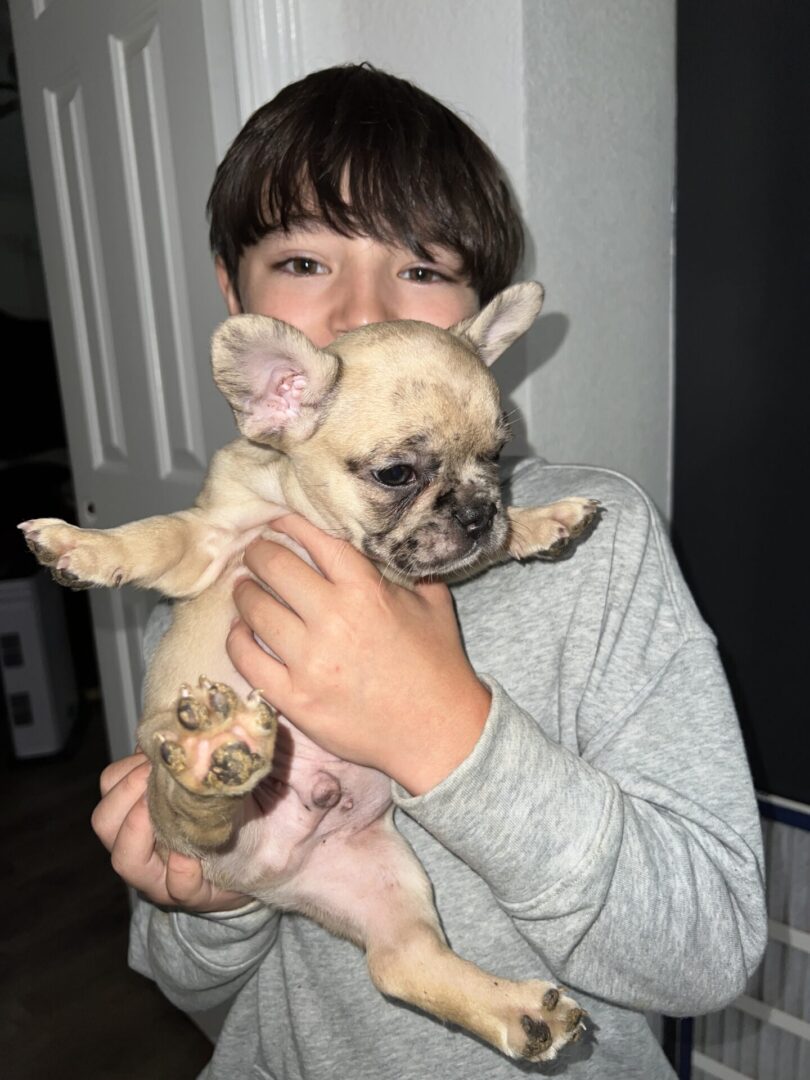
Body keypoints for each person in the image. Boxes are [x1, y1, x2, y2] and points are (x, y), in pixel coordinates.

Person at [91, 64, 766, 1079]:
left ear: (479, 318)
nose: (363, 307)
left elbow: (709, 947)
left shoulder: (598, 544)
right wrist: (210, 893)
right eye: (306, 262)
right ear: (238, 299)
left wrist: (441, 727)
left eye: (421, 267)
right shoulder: (216, 562)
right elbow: (187, 982)